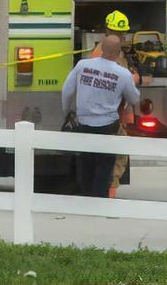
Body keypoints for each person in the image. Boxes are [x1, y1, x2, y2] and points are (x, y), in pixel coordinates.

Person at [61, 35, 140, 198]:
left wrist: (66, 113)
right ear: (118, 52)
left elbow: (67, 91)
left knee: (85, 167)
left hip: (83, 125)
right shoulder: (123, 74)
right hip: (108, 128)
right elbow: (134, 99)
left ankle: (86, 200)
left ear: (101, 48)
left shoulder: (82, 65)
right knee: (103, 171)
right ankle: (99, 203)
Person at [90, 10, 141, 198]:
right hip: (110, 113)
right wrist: (137, 78)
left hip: (107, 112)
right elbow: (116, 81)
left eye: (121, 34)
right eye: (118, 33)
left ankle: (103, 194)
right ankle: (109, 195)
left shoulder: (103, 51)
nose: (121, 37)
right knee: (117, 154)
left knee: (105, 155)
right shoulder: (105, 54)